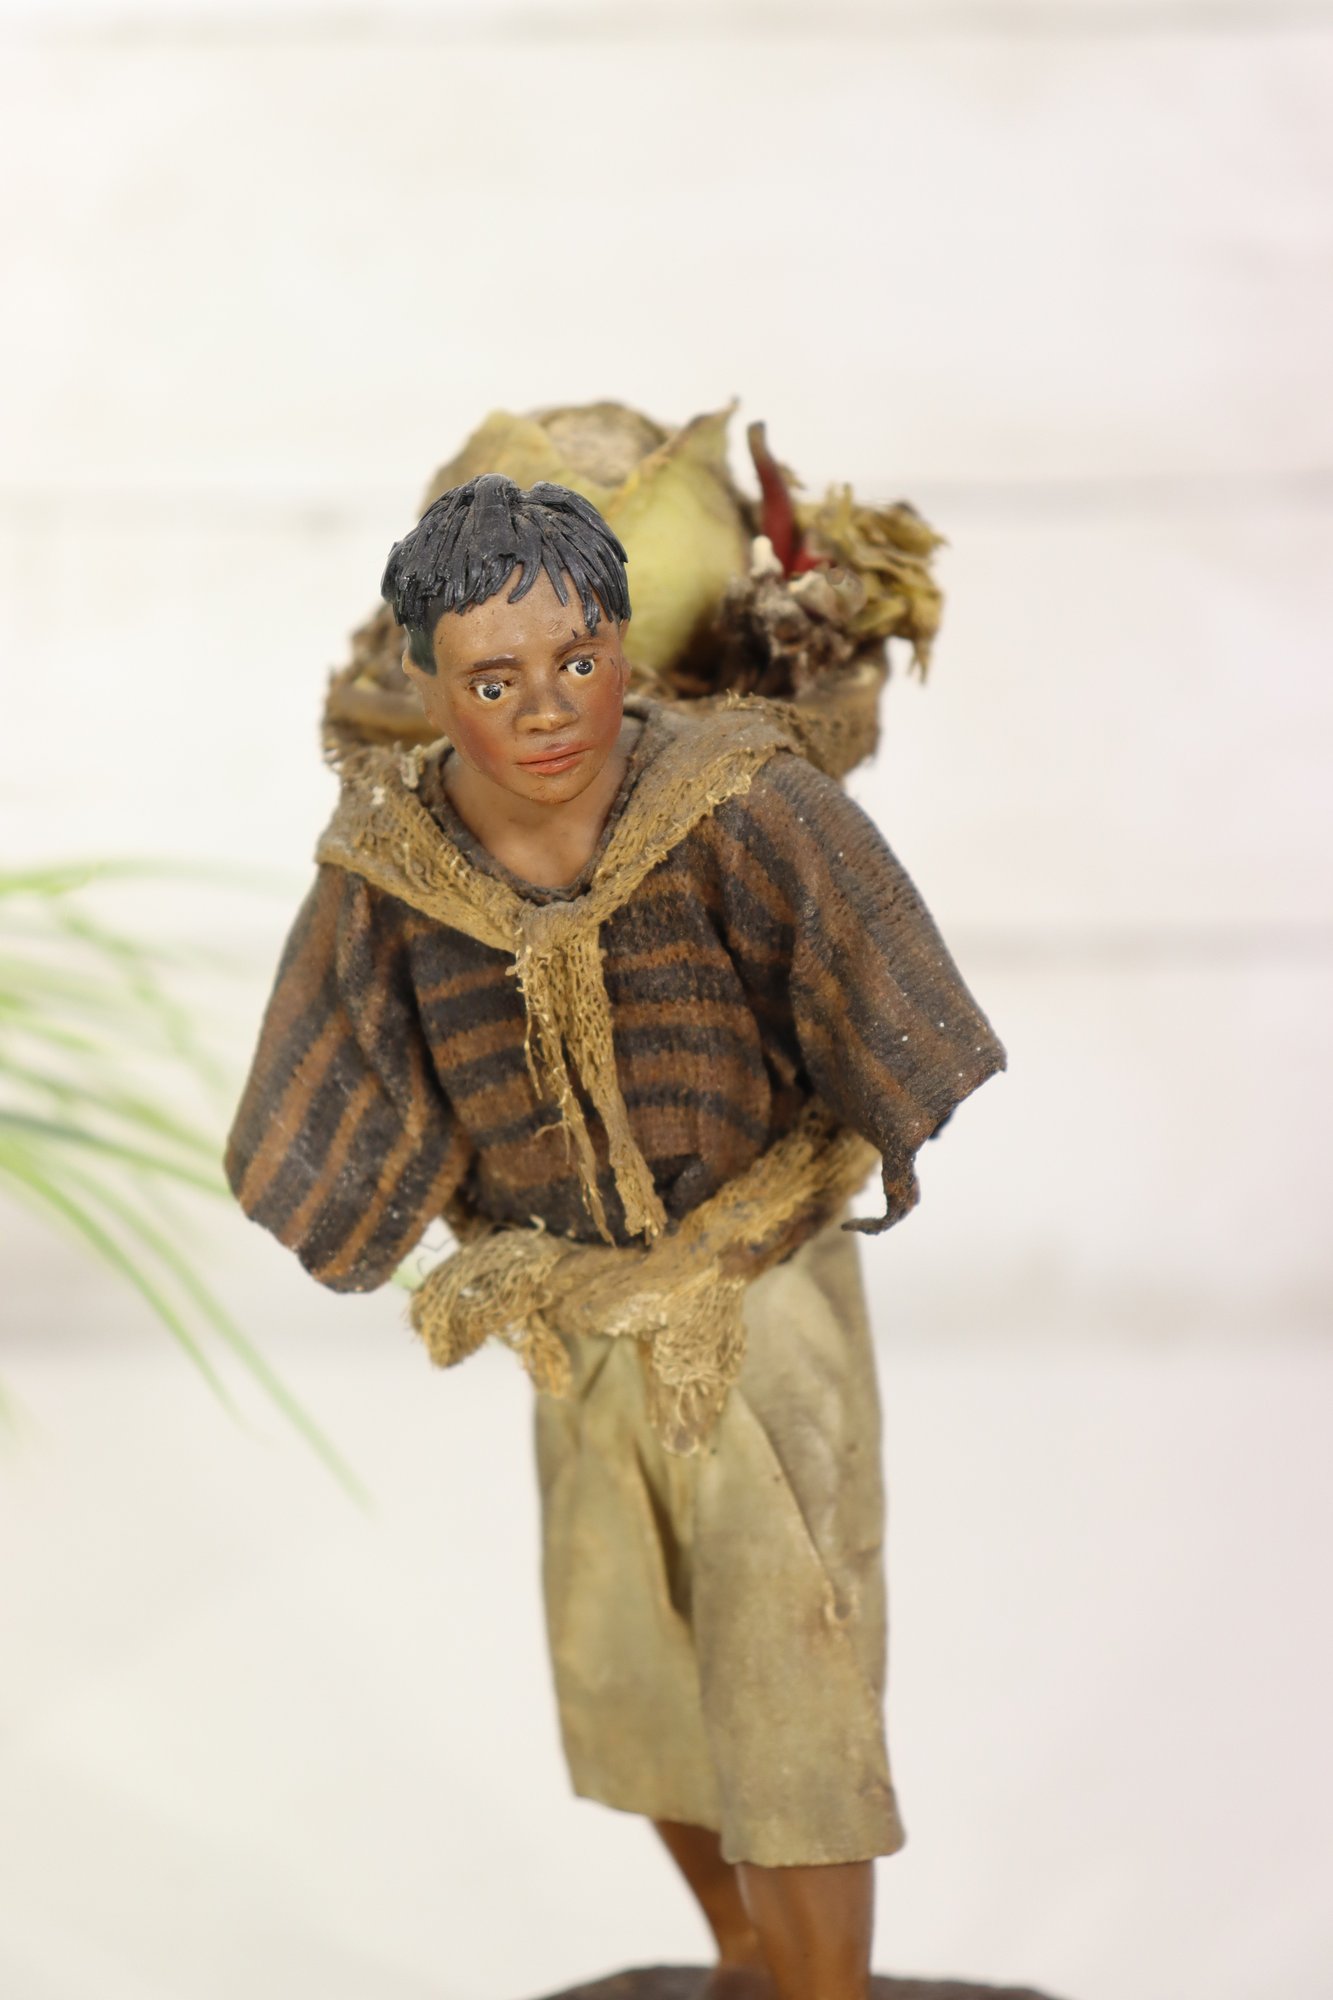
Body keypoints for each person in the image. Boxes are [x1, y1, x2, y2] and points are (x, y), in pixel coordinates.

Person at [226, 472, 1005, 2000]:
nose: (543, 709)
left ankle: (824, 1992)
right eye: (491, 680)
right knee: (632, 1671)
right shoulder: (386, 869)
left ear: (624, 650)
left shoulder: (741, 805)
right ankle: (746, 1961)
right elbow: (330, 1086)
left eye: (575, 659)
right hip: (573, 1324)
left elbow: (889, 1001)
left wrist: (842, 1143)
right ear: (426, 688)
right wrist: (388, 1212)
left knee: (793, 1675)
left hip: (756, 1302)